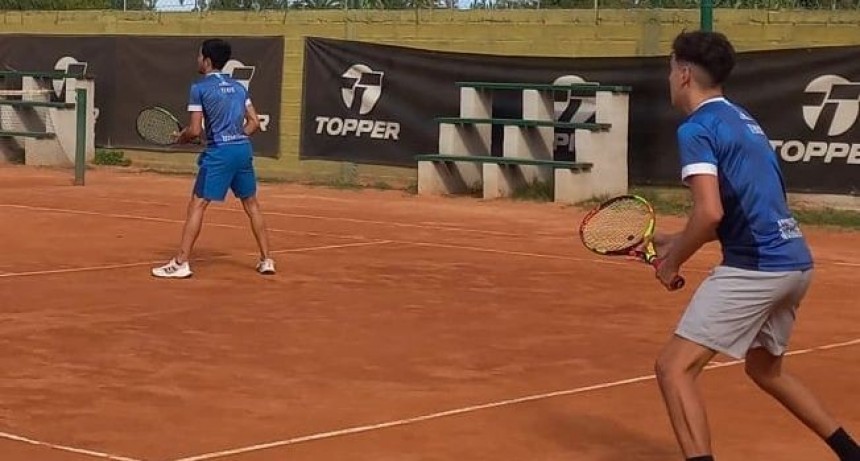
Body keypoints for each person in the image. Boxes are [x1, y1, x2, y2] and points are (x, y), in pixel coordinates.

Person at [649, 30, 859, 461]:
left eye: (671, 69)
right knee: (765, 369)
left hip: (757, 268)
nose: (669, 77)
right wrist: (677, 238)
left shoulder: (697, 128)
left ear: (685, 74)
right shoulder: (741, 119)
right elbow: (736, 206)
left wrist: (673, 262)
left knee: (674, 368)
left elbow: (710, 213)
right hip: (795, 263)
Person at [152, 38, 275, 279]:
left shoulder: (199, 88)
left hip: (220, 154)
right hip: (242, 150)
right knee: (251, 204)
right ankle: (267, 259)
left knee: (197, 204)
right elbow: (254, 123)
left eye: (199, 56)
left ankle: (180, 262)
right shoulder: (239, 87)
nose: (197, 60)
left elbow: (195, 130)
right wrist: (235, 137)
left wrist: (182, 138)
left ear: (207, 61)